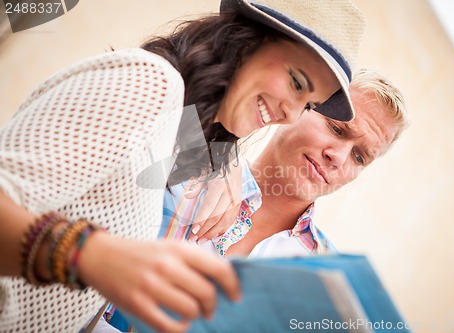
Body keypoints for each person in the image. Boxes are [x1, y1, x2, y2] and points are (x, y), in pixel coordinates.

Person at [0, 0, 367, 332]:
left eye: (306, 105)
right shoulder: (151, 82)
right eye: (296, 82)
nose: (289, 113)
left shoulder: (181, 123)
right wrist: (89, 256)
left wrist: (229, 159)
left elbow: (193, 145)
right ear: (249, 37)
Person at [101, 69, 409, 331]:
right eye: (337, 128)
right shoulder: (184, 165)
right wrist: (220, 150)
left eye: (360, 156)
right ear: (300, 107)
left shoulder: (331, 284)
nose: (338, 157)